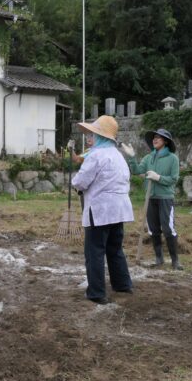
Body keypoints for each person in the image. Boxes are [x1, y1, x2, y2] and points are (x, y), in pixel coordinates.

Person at [71, 115, 134, 304]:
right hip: (120, 209)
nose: (89, 138)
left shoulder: (96, 155)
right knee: (115, 249)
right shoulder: (118, 156)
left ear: (101, 137)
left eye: (92, 135)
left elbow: (81, 181)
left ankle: (97, 292)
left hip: (100, 209)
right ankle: (122, 284)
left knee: (95, 251)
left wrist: (75, 183)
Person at [121, 128, 182, 270]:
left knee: (168, 228)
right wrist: (131, 157)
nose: (155, 139)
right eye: (154, 137)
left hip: (165, 198)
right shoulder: (149, 158)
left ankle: (175, 261)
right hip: (150, 198)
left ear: (165, 141)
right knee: (154, 229)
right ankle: (159, 259)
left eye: (158, 138)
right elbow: (137, 171)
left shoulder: (173, 159)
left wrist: (159, 178)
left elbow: (174, 179)